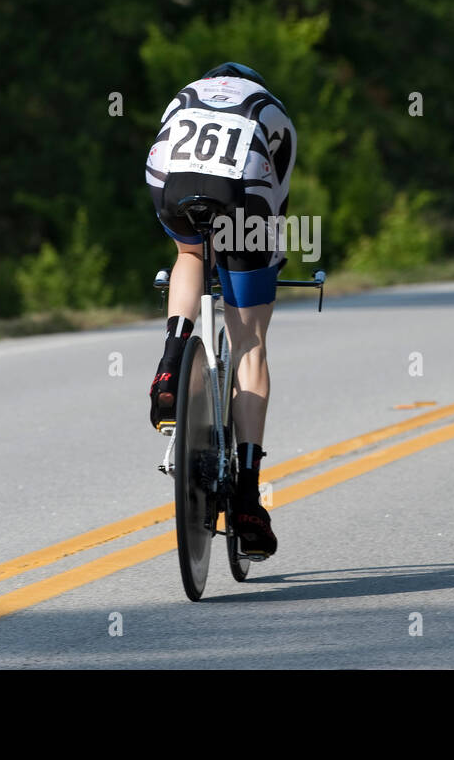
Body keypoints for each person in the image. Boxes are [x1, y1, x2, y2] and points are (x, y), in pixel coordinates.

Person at [144, 61, 296, 558]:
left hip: (172, 177)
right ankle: (248, 498)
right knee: (250, 344)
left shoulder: (185, 92)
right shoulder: (271, 111)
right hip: (245, 187)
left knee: (188, 254)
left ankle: (170, 363)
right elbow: (279, 202)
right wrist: (263, 263)